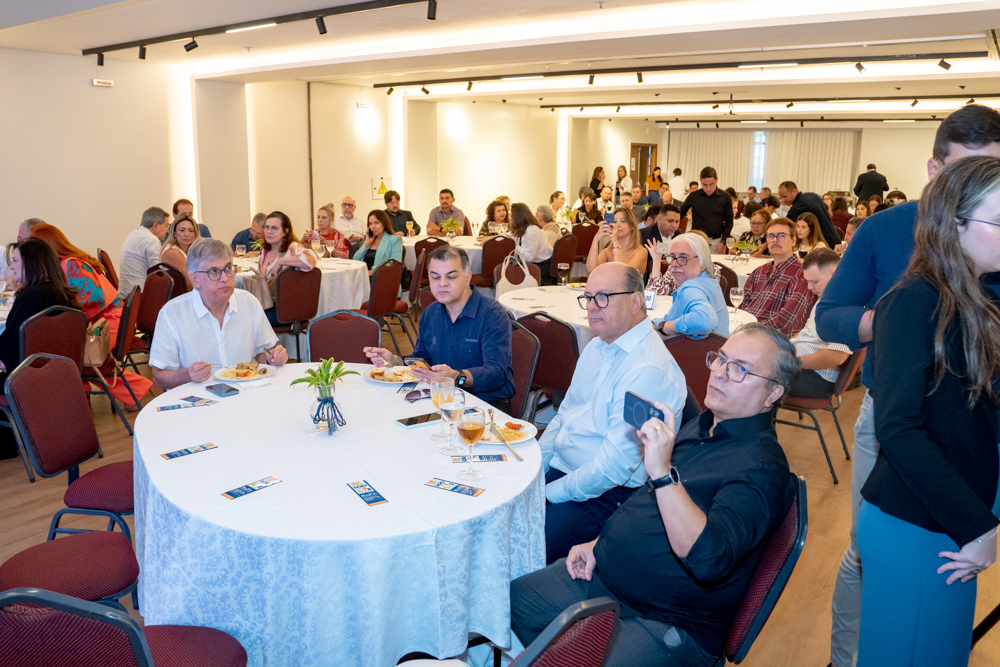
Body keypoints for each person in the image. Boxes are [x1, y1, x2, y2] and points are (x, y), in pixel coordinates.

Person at [815, 103, 1000, 667]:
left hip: (954, 469)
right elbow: (901, 424)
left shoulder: (975, 285)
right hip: (915, 475)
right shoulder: (911, 282)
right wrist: (900, 331)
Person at [511, 323, 797, 667]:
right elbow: (649, 504)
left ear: (773, 394)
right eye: (721, 359)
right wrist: (599, 544)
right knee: (517, 601)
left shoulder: (761, 468)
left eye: (740, 369)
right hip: (609, 578)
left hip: (665, 620)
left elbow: (707, 559)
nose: (720, 374)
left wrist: (662, 473)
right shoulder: (705, 424)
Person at [858, 155, 1000, 667]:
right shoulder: (914, 301)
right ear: (954, 223)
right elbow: (898, 428)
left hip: (948, 522)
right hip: (920, 527)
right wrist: (977, 526)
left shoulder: (977, 300)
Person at [536, 262, 685, 562]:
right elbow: (565, 414)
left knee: (519, 543)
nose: (592, 307)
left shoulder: (647, 369)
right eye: (588, 297)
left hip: (606, 496)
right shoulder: (597, 346)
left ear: (635, 301)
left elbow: (612, 469)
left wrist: (548, 494)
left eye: (603, 297)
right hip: (565, 473)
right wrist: (537, 468)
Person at [363, 245, 514, 410]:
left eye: (451, 276)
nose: (442, 284)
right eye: (435, 277)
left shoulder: (492, 314)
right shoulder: (430, 314)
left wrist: (456, 377)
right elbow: (423, 359)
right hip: (441, 400)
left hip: (485, 406)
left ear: (467, 277)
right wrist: (395, 360)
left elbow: (496, 374)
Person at [31, 222, 152, 409]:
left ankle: (88, 401)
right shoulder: (65, 264)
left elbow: (94, 297)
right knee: (75, 355)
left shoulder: (71, 264)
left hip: (107, 324)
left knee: (80, 356)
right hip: (99, 322)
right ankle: (86, 400)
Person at [149, 238, 288, 390]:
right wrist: (188, 374)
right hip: (195, 403)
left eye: (228, 268)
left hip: (244, 396)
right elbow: (159, 377)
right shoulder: (172, 313)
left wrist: (274, 357)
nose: (225, 278)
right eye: (214, 271)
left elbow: (263, 354)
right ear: (195, 279)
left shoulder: (248, 302)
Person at [0, 239, 80, 381]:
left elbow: (9, 346)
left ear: (31, 264)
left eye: (15, 261)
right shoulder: (61, 292)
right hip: (57, 372)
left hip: (21, 378)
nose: (12, 267)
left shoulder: (31, 297)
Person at [786, 249, 851, 399]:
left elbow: (837, 357)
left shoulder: (843, 305)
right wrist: (784, 348)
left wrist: (792, 362)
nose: (809, 287)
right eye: (807, 281)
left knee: (755, 377)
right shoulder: (827, 297)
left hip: (816, 377)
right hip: (801, 365)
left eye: (814, 282)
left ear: (834, 274)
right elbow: (806, 332)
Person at [739, 217, 814, 337]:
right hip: (744, 332)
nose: (775, 240)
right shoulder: (759, 271)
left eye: (781, 235)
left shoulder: (801, 274)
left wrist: (748, 331)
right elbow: (741, 305)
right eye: (771, 236)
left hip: (773, 340)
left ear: (794, 240)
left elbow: (786, 320)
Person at [651, 233, 729, 337]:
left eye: (684, 258)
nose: (674, 264)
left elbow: (705, 320)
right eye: (673, 257)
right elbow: (678, 317)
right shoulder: (710, 283)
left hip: (692, 352)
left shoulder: (691, 288)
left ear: (702, 263)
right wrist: (657, 324)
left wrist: (665, 328)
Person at [257, 211, 317, 326]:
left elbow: (311, 259)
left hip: (289, 310)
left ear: (285, 231)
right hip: (270, 305)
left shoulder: (292, 248)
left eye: (274, 228)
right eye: (267, 227)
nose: (269, 231)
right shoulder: (264, 254)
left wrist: (281, 261)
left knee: (250, 320)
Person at [678, 167, 733, 253]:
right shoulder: (693, 196)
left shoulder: (725, 197)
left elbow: (729, 222)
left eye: (711, 184)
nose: (708, 188)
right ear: (700, 181)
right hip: (697, 240)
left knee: (715, 266)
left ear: (717, 180)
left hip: (717, 241)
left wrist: (723, 242)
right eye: (704, 185)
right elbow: (679, 214)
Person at [118, 206, 169, 299]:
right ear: (156, 225)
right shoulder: (151, 239)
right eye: (166, 226)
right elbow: (159, 273)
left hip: (128, 296)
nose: (167, 230)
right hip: (139, 298)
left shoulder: (134, 234)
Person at [778, 181, 841, 249]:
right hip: (835, 238)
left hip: (825, 244)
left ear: (794, 191)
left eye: (785, 196)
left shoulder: (798, 206)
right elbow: (830, 214)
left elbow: (783, 228)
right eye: (781, 198)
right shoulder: (813, 195)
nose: (783, 200)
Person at [586, 208, 647, 275]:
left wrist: (615, 242)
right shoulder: (608, 251)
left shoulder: (641, 251)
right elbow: (591, 269)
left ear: (632, 226)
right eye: (614, 222)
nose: (617, 225)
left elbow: (624, 274)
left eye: (623, 221)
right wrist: (596, 239)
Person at [510, 202, 554, 284]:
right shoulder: (524, 229)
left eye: (511, 217)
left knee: (510, 271)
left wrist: (515, 246)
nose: (510, 220)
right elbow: (510, 235)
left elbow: (529, 258)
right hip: (536, 264)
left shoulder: (531, 231)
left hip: (542, 268)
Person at [352, 210, 402, 276]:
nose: (373, 226)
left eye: (376, 223)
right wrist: (366, 244)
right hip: (364, 277)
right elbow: (355, 260)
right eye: (370, 224)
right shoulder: (369, 239)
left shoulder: (394, 239)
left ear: (384, 223)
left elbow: (394, 265)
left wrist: (372, 271)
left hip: (382, 279)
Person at [639, 203, 681, 277]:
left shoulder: (679, 235)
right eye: (670, 221)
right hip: (652, 278)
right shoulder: (644, 235)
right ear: (659, 219)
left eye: (677, 222)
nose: (674, 225)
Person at [161, 213, 200, 289]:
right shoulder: (172, 252)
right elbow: (189, 284)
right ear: (174, 233)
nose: (187, 234)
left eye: (191, 231)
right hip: (178, 297)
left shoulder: (192, 251)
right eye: (182, 230)